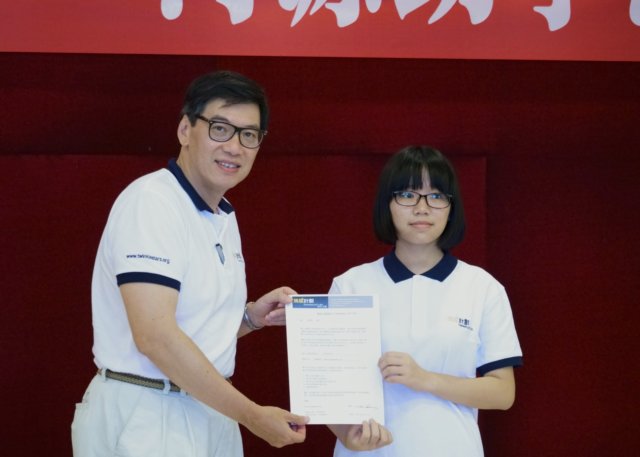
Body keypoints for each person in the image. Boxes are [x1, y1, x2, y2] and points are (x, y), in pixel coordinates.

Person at [71, 70, 308, 456]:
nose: (235, 147)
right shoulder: (153, 202)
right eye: (220, 129)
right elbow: (155, 337)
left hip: (208, 410)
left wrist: (250, 318)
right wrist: (252, 416)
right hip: (149, 414)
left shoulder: (222, 215)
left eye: (249, 135)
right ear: (185, 129)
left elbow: (192, 331)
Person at [327, 145, 523, 456]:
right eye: (407, 195)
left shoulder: (482, 287)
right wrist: (346, 435)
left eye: (436, 196)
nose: (422, 208)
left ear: (451, 207)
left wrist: (425, 379)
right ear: (387, 204)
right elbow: (329, 387)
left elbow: (502, 392)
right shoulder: (350, 285)